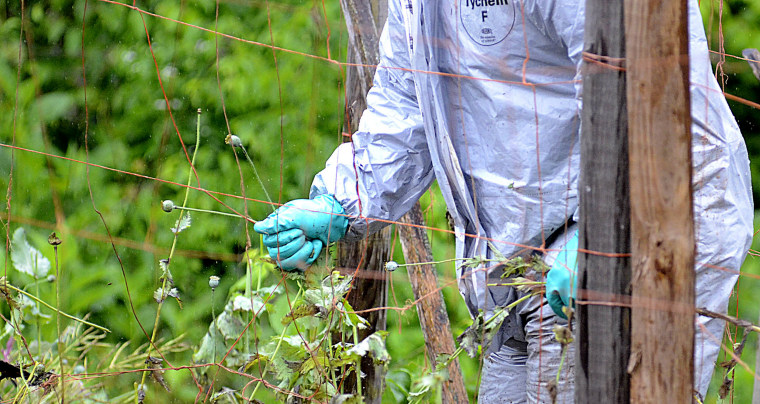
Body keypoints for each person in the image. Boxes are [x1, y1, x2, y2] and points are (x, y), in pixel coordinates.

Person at [254, 0, 754, 402]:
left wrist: (606, 232)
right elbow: (405, 110)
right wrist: (339, 202)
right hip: (516, 259)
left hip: (652, 219)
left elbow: (655, 103)